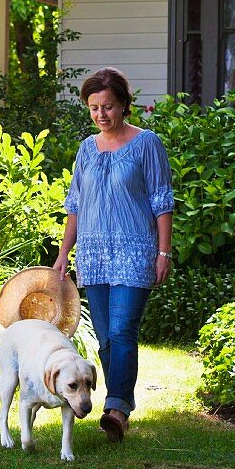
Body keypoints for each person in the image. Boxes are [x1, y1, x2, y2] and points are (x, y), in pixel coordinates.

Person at [53, 67, 174, 442]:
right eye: (93, 108)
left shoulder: (147, 143)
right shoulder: (86, 150)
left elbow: (161, 201)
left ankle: (117, 409)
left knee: (123, 332)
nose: (101, 114)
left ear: (123, 104)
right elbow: (76, 205)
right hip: (93, 255)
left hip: (135, 251)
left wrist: (163, 252)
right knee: (104, 338)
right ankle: (116, 404)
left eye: (107, 106)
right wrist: (63, 253)